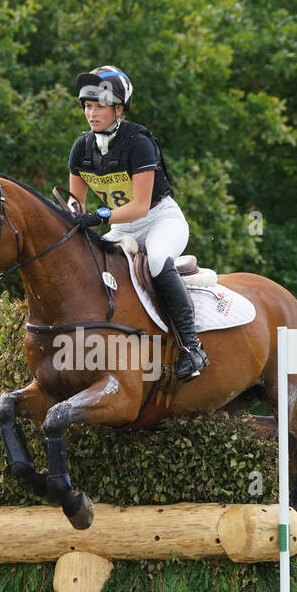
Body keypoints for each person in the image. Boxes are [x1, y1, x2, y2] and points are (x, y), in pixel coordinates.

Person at [66, 65, 209, 380]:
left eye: (99, 106)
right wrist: (74, 212)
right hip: (122, 227)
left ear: (119, 109)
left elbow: (141, 206)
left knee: (157, 259)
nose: (91, 113)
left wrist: (99, 216)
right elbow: (76, 199)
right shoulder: (81, 148)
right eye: (88, 106)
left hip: (159, 219)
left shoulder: (138, 142)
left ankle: (192, 346)